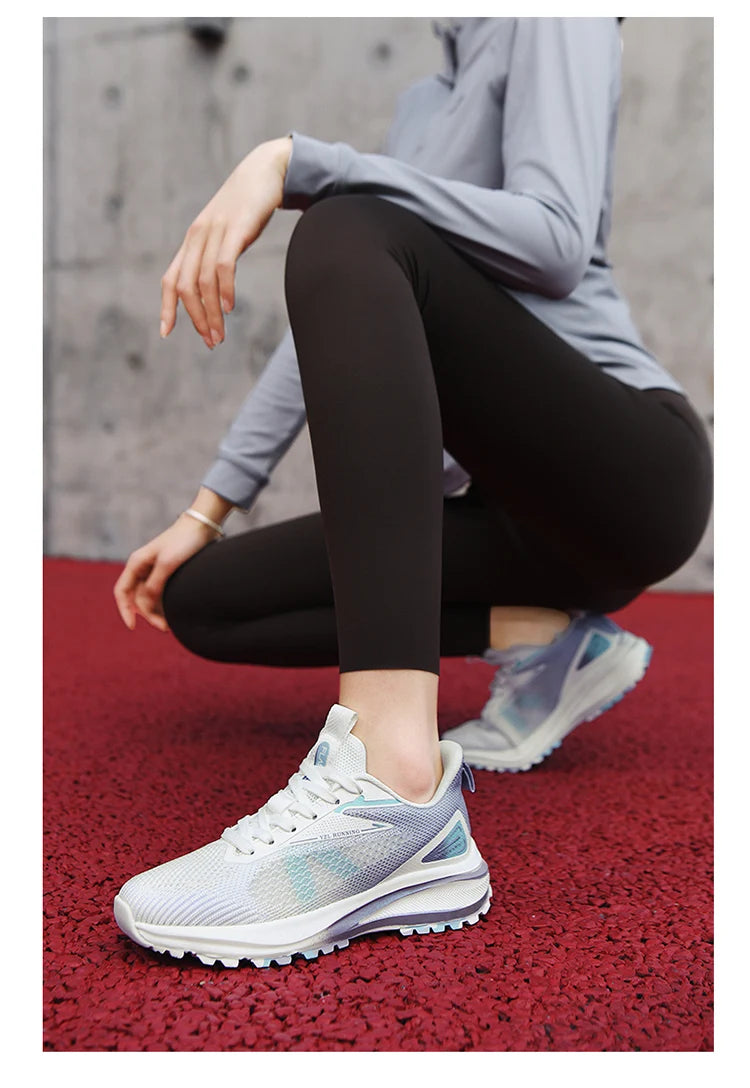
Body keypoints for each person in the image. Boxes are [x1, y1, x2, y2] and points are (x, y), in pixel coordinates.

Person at [111, 17, 713, 967]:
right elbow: (339, 312)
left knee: (345, 226)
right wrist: (207, 507)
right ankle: (548, 638)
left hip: (630, 474)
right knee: (201, 601)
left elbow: (556, 241)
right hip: (511, 520)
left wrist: (295, 163)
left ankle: (396, 788)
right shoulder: (426, 99)